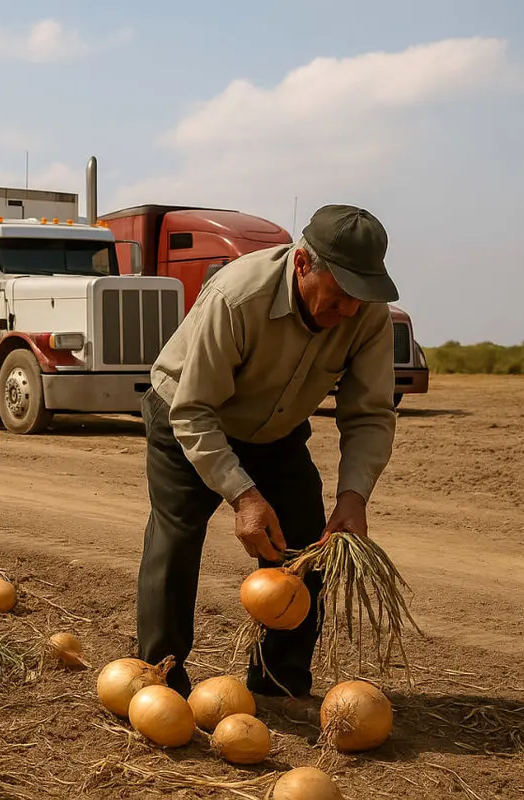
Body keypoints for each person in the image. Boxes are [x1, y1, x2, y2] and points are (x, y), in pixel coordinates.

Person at [136, 203, 399, 702]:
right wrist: (242, 496)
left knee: (304, 546)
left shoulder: (365, 314)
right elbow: (194, 412)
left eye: (360, 300)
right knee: (176, 539)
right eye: (340, 296)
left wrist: (355, 496)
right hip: (187, 415)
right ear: (303, 264)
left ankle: (280, 684)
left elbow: (369, 414)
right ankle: (159, 681)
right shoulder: (238, 297)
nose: (348, 311)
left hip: (275, 430)